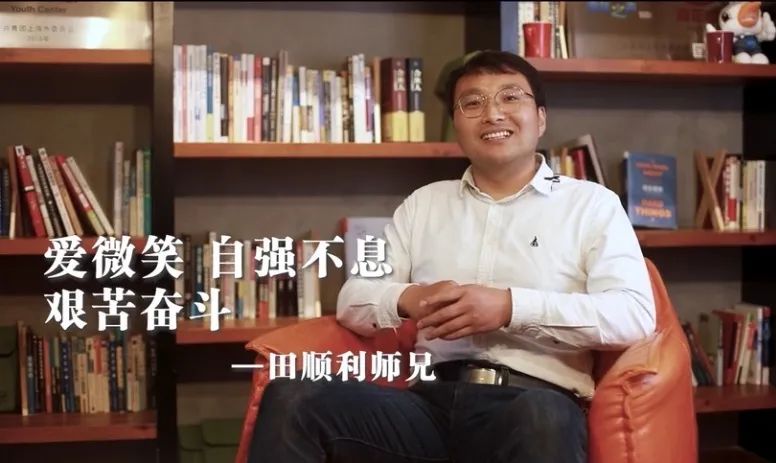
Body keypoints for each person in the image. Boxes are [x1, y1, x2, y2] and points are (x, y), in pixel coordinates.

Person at [247, 50, 656, 463]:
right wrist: (411, 298)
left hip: (531, 401)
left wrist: (510, 308)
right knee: (295, 396)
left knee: (543, 417)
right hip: (427, 405)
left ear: (541, 118)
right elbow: (353, 299)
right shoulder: (423, 205)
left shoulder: (591, 205)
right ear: (457, 124)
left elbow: (633, 314)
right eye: (473, 103)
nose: (493, 114)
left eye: (510, 97)